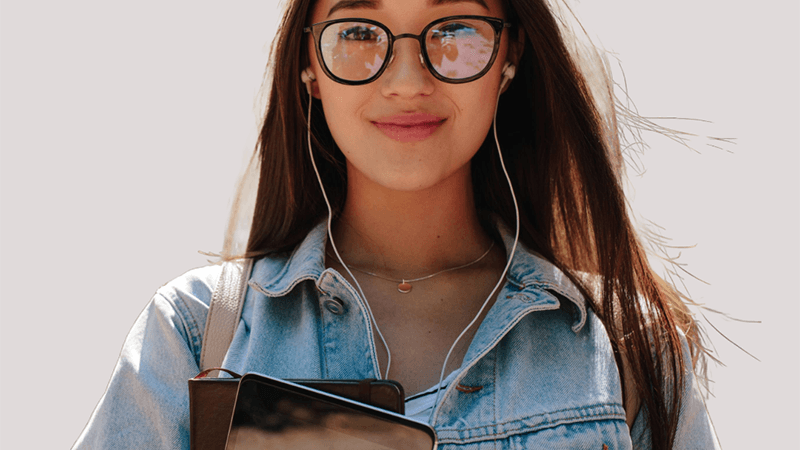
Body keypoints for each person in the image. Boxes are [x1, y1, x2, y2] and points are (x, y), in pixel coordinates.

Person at [73, 0, 720, 448]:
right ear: (308, 65)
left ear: (509, 56)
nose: (408, 82)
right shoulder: (195, 335)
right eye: (359, 32)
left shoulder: (628, 344)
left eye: (453, 28)